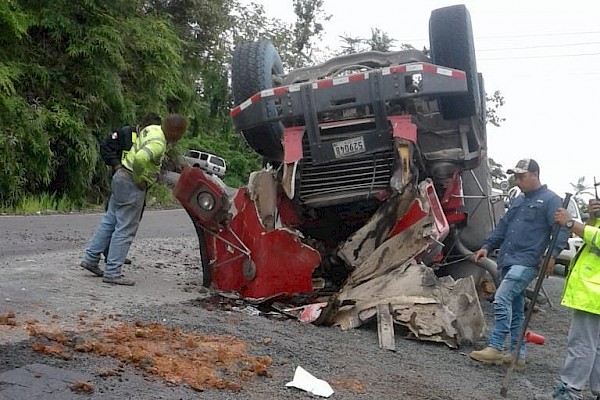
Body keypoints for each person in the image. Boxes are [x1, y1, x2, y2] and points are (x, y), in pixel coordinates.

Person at [468, 158, 569, 370]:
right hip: (508, 259)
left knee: (501, 297)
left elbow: (561, 229)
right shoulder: (519, 200)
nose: (518, 181)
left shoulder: (551, 201)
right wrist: (487, 245)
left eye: (522, 176)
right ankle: (517, 354)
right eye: (516, 176)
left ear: (535, 174)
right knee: (515, 307)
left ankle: (495, 346)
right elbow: (504, 225)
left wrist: (553, 255)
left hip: (527, 261)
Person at [80, 114, 187, 286]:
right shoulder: (158, 143)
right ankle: (113, 272)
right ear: (174, 132)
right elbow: (140, 158)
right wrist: (139, 178)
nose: (180, 138)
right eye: (180, 134)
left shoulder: (152, 129)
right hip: (131, 182)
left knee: (109, 220)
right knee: (125, 228)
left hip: (120, 176)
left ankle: (91, 258)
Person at [535, 198, 600, 400]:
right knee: (595, 346)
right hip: (593, 291)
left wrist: (571, 223)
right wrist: (592, 218)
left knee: (581, 343)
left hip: (594, 292)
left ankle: (570, 392)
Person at [98, 113, 162, 264]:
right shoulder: (126, 133)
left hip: (139, 186)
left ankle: (113, 255)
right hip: (123, 181)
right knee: (115, 221)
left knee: (127, 222)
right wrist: (116, 164)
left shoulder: (152, 139)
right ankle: (109, 256)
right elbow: (105, 147)